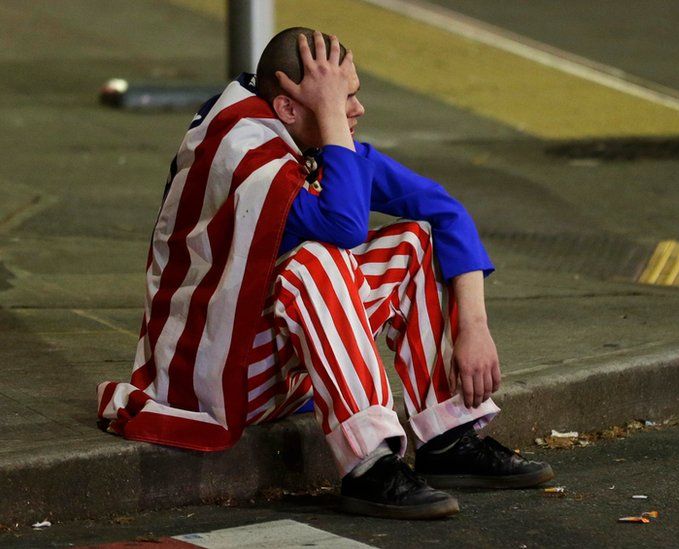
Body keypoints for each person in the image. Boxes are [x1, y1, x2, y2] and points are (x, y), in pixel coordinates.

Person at [96, 26, 553, 520]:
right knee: (318, 261)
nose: (356, 111)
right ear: (289, 109)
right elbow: (344, 226)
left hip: (274, 366)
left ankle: (447, 437)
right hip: (212, 376)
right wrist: (333, 121)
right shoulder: (247, 158)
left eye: (353, 96)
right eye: (342, 98)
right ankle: (369, 465)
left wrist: (476, 329)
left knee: (415, 239)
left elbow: (444, 211)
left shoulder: (309, 139)